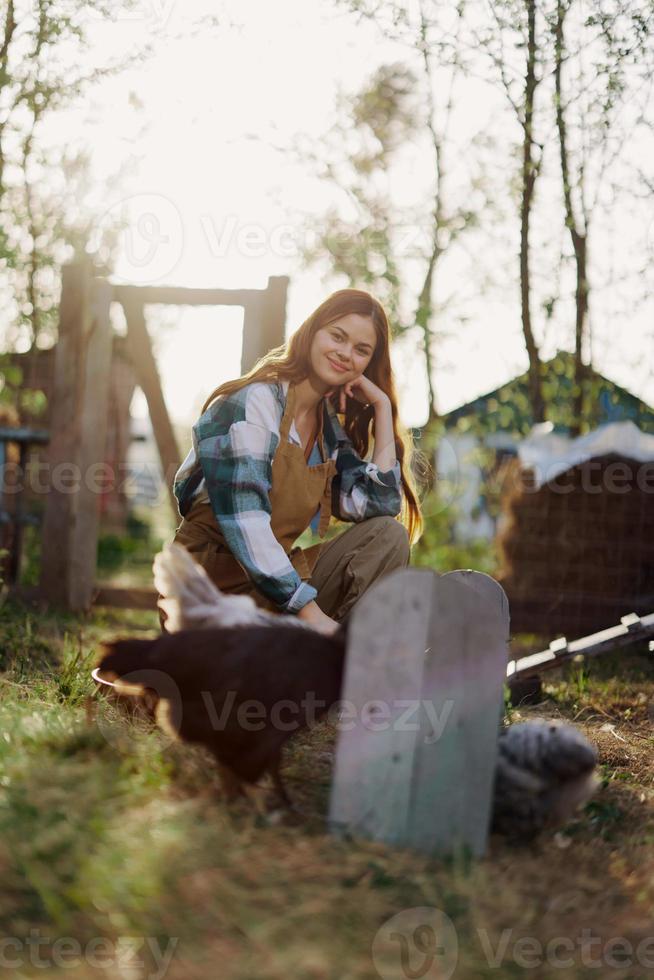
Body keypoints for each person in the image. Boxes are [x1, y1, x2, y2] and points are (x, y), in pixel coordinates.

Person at [163, 288, 424, 636]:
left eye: (361, 350)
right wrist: (309, 612)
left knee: (388, 536)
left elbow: (379, 504)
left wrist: (382, 408)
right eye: (338, 336)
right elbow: (247, 523)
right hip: (208, 591)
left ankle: (346, 669)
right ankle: (324, 658)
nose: (346, 354)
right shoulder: (253, 403)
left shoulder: (327, 432)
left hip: (274, 593)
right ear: (312, 331)